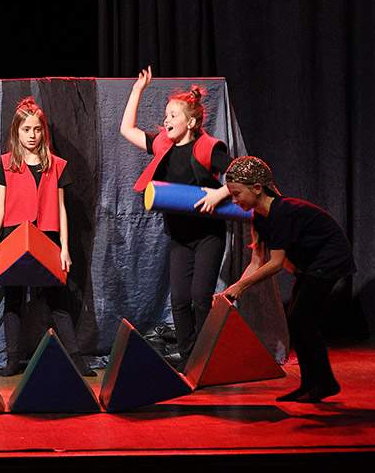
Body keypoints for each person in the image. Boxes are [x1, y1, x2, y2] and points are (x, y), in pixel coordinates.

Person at [120, 67, 231, 367]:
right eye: (166, 115)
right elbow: (127, 130)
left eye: (172, 115)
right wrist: (137, 90)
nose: (166, 120)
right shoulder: (163, 145)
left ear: (191, 122)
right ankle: (189, 359)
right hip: (180, 237)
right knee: (179, 299)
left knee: (200, 297)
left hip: (208, 235)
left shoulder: (208, 147)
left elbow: (239, 173)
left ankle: (209, 360)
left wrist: (219, 194)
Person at [223, 156, 354, 403]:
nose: (234, 200)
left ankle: (324, 382)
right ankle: (311, 384)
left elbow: (274, 264)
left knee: (301, 318)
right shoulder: (259, 217)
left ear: (257, 188)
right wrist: (232, 289)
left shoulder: (281, 212)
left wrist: (241, 287)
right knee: (298, 320)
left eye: (237, 194)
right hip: (309, 262)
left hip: (329, 258)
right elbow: (256, 262)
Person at [0, 98, 93, 376]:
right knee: (14, 298)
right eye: (26, 129)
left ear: (43, 131)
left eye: (37, 129)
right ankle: (12, 359)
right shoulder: (6, 164)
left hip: (47, 235)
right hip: (14, 235)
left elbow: (61, 208)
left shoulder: (55, 165)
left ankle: (76, 358)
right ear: (16, 132)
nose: (32, 135)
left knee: (58, 299)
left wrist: (64, 248)